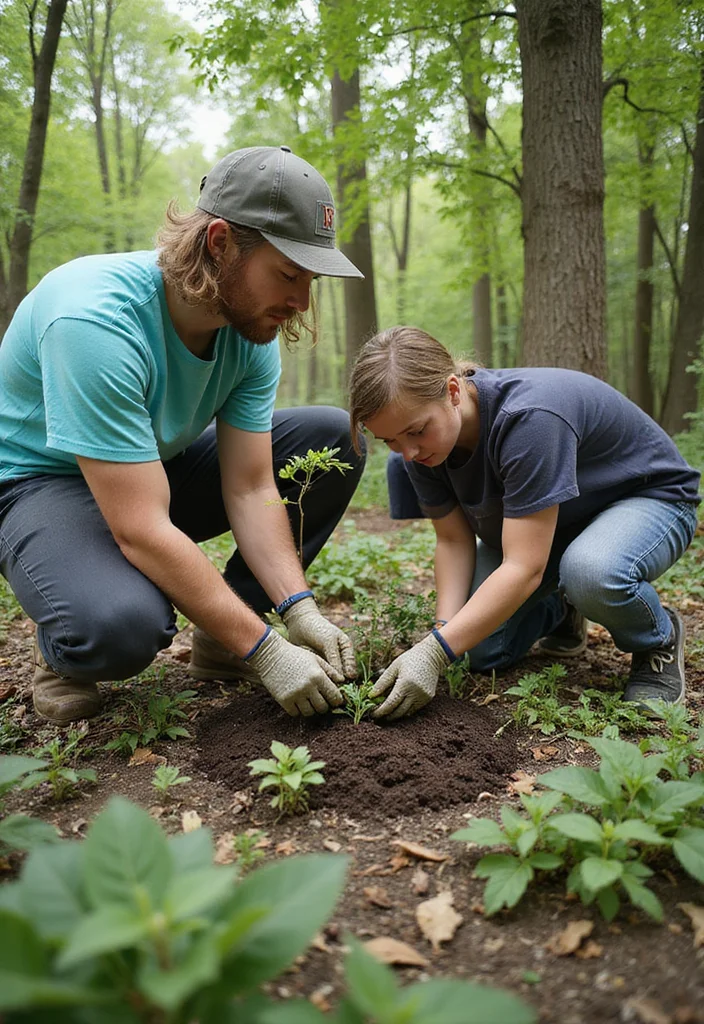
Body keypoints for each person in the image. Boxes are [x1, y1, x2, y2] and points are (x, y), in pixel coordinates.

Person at [0, 145, 366, 726]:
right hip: (42, 483)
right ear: (219, 243)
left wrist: (299, 610)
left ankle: (229, 637)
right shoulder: (95, 320)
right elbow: (143, 528)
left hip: (151, 468)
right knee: (121, 626)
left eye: (311, 279)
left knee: (327, 440)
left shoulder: (249, 331)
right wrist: (269, 653)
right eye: (289, 273)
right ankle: (65, 652)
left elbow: (250, 487)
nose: (301, 301)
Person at [349, 326, 700, 721]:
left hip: (648, 499)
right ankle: (564, 608)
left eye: (415, 431)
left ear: (452, 391)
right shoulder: (420, 451)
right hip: (554, 524)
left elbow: (522, 566)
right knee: (479, 650)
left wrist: (434, 652)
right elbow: (452, 542)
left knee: (591, 571)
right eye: (390, 441)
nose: (407, 452)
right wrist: (443, 636)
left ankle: (656, 637)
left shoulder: (528, 420)